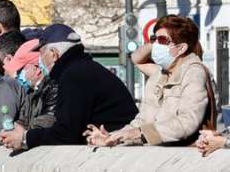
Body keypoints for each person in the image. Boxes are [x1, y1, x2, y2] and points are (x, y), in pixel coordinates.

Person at [0, 24, 137, 151]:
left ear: (54, 53)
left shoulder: (74, 76)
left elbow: (66, 133)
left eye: (41, 53)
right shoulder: (82, 68)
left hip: (119, 145)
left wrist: (25, 138)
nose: (39, 59)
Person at [86, 15, 212, 148]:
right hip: (159, 155)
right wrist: (112, 137)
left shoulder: (194, 73)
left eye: (162, 40)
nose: (156, 45)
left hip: (189, 157)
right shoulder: (159, 74)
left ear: (181, 48)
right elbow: (141, 121)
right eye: (154, 39)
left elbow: (187, 123)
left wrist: (140, 133)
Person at [5, 39, 58, 130]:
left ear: (36, 69)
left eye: (19, 71)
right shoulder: (30, 94)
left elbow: (43, 125)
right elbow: (22, 122)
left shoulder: (52, 90)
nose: (16, 76)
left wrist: (18, 135)